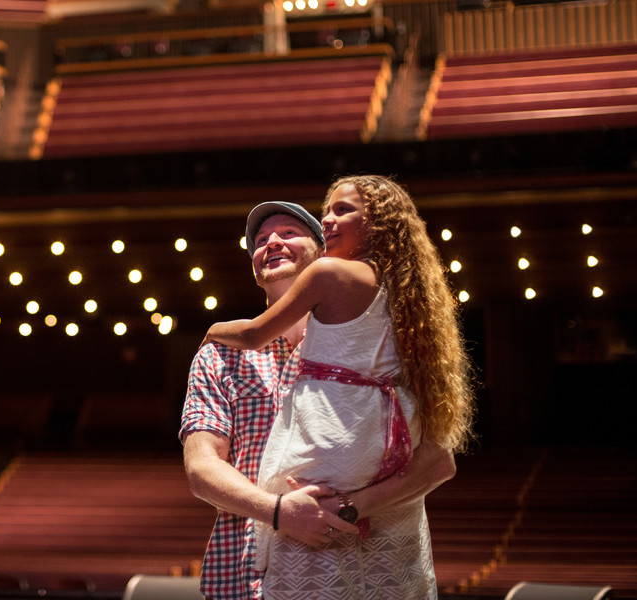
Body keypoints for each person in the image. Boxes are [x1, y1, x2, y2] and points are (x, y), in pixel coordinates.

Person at [204, 175, 476, 599]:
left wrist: (212, 328)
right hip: (384, 446)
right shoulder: (406, 297)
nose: (329, 219)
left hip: (334, 442)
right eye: (326, 211)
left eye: (340, 211)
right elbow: (200, 470)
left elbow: (254, 333)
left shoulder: (329, 273)